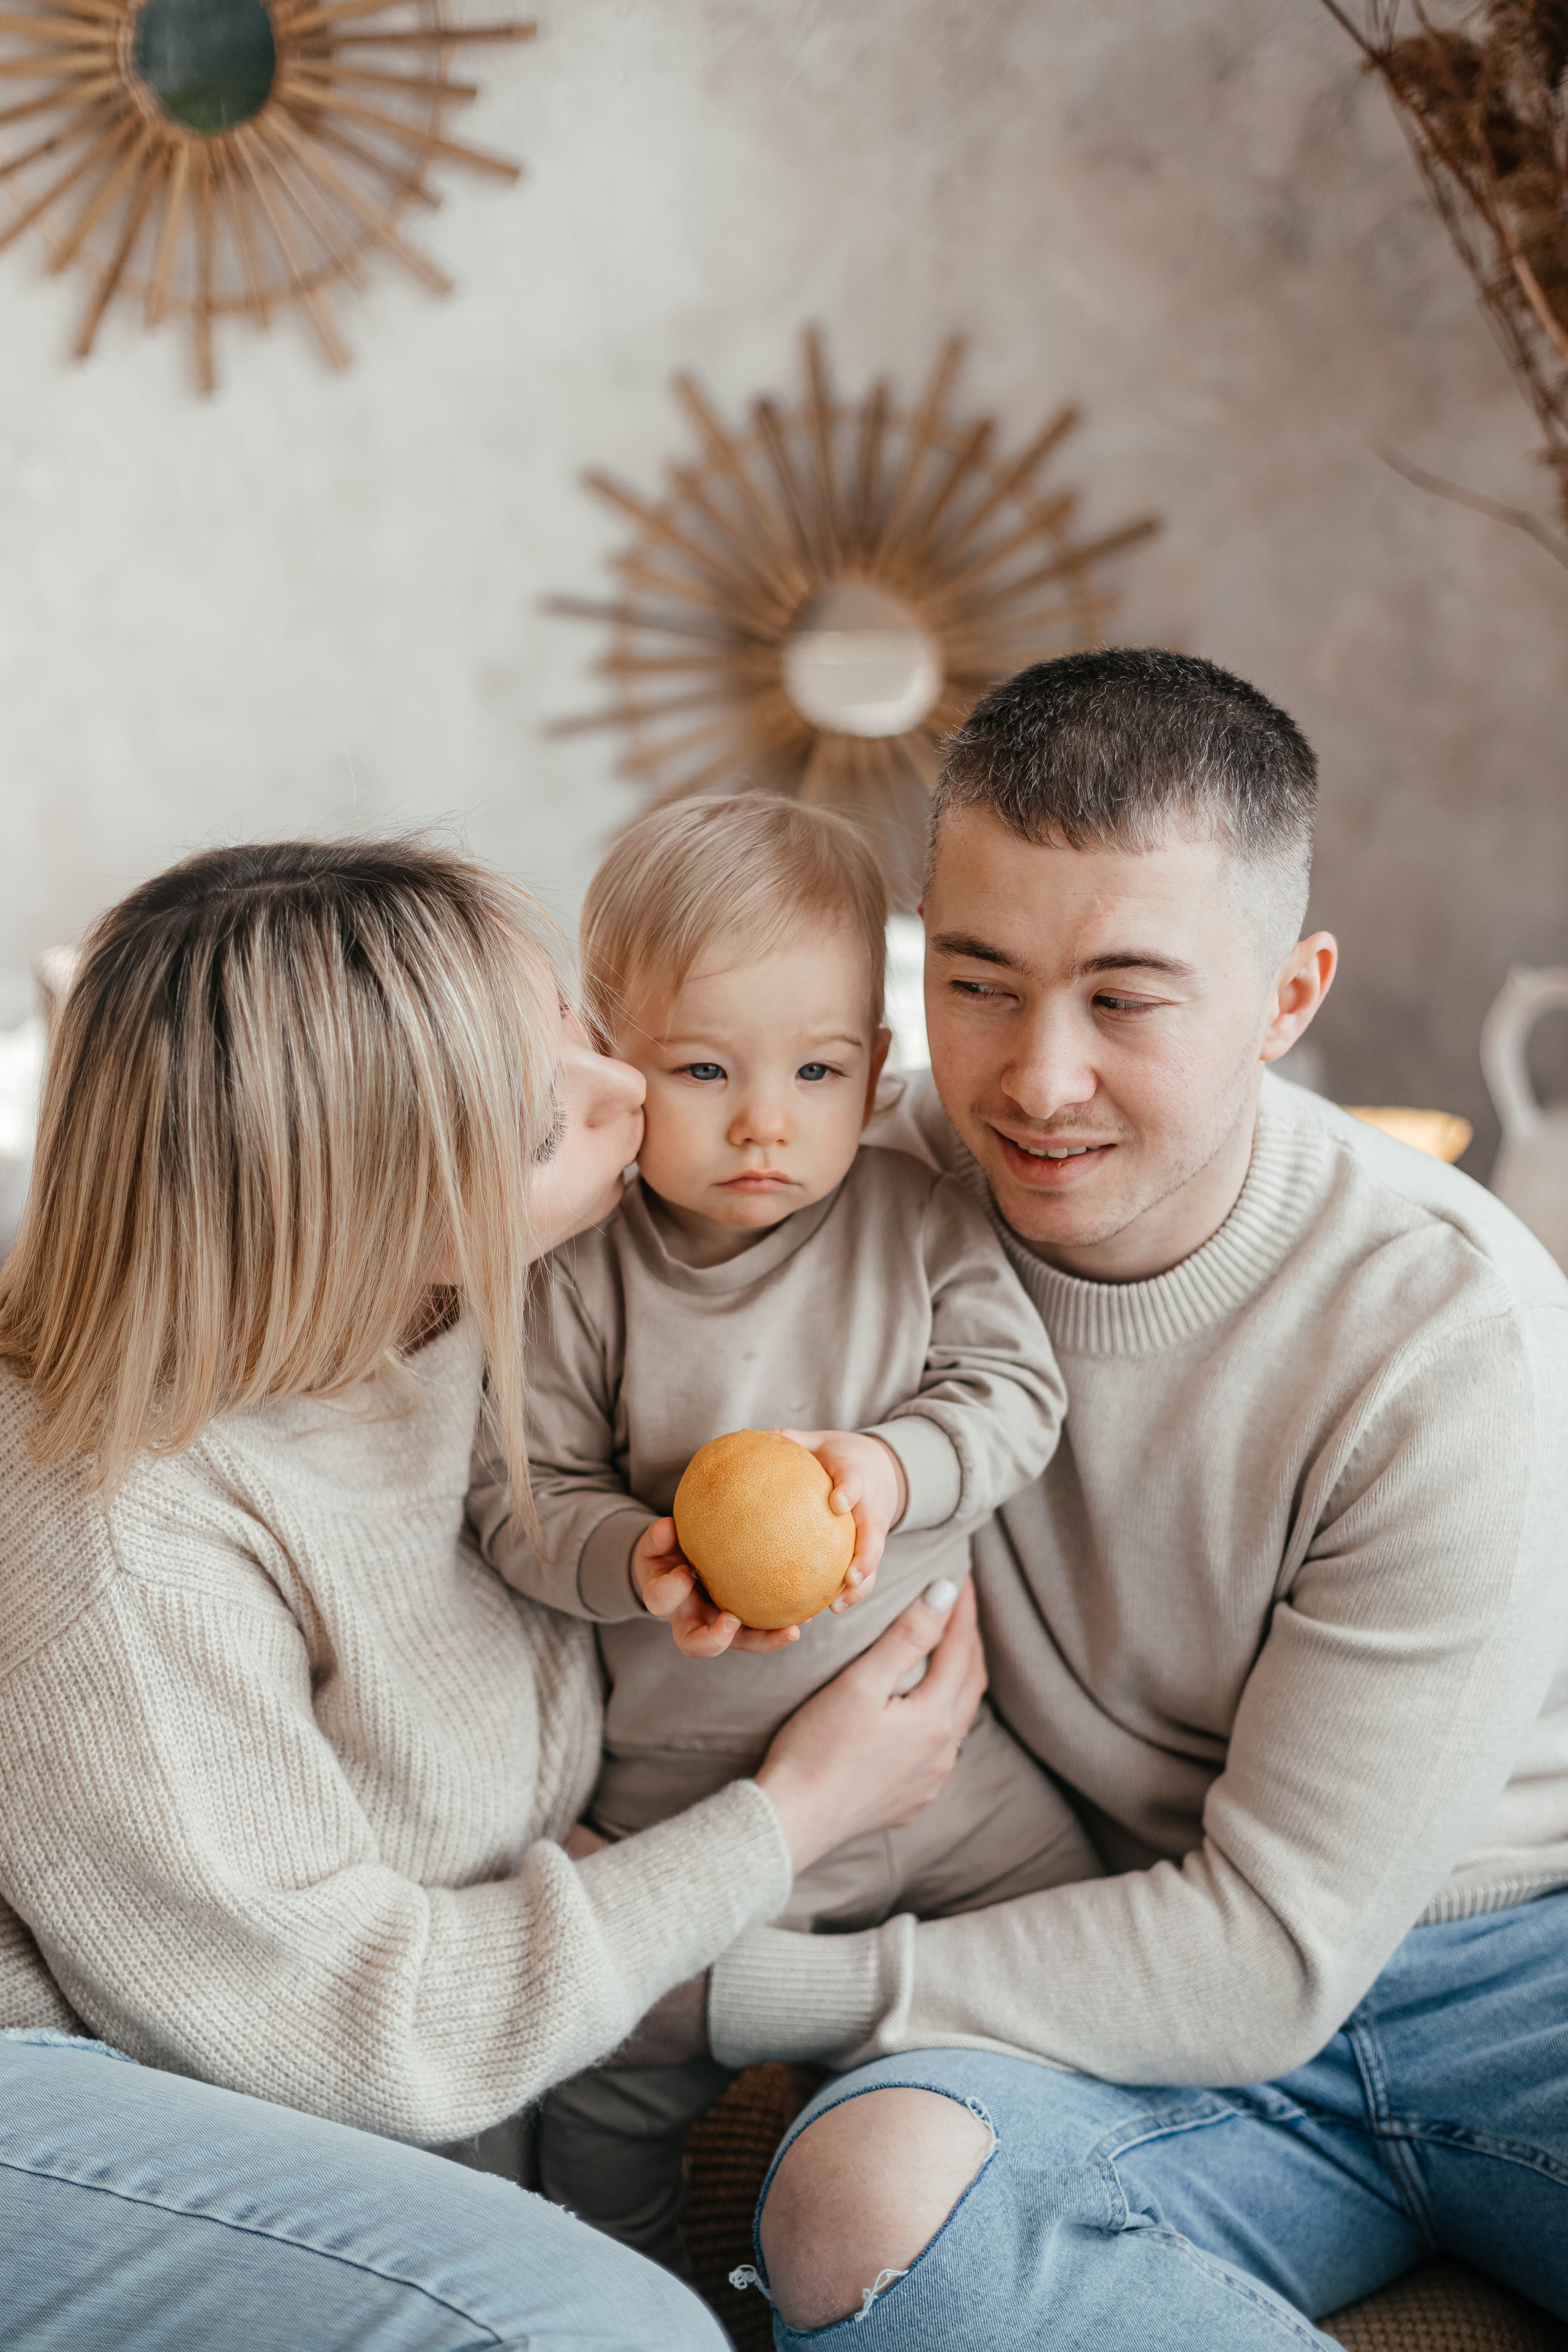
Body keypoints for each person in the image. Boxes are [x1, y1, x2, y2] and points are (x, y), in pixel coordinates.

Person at [687, 650, 1568, 2345]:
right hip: (1110, 1976)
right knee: (858, 2218)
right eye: (979, 981)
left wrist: (745, 1988)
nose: (1036, 1079)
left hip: (1515, 1970)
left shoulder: (1450, 1336)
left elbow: (1270, 1952)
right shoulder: (845, 1195)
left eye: (1126, 999)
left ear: (1288, 996)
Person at [0, 838, 986, 2351]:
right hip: (113, 2089)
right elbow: (351, 2030)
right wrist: (791, 1817)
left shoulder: (437, 1313)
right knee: (611, 2331)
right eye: (542, 1125)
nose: (628, 1091)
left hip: (388, 2062)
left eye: (574, 1029)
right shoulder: (117, 1541)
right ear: (360, 1208)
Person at [472, 795, 1098, 2269]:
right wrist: (633, 1558)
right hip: (684, 1805)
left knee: (1078, 1950)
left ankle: (1019, 2208)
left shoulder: (918, 1218)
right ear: (613, 1070)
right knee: (600, 2098)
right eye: (702, 1069)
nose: (764, 1120)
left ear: (875, 1072)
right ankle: (640, 2297)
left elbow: (1015, 1396)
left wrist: (888, 1468)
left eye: (814, 1070)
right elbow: (518, 1499)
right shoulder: (580, 1274)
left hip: (948, 1769)